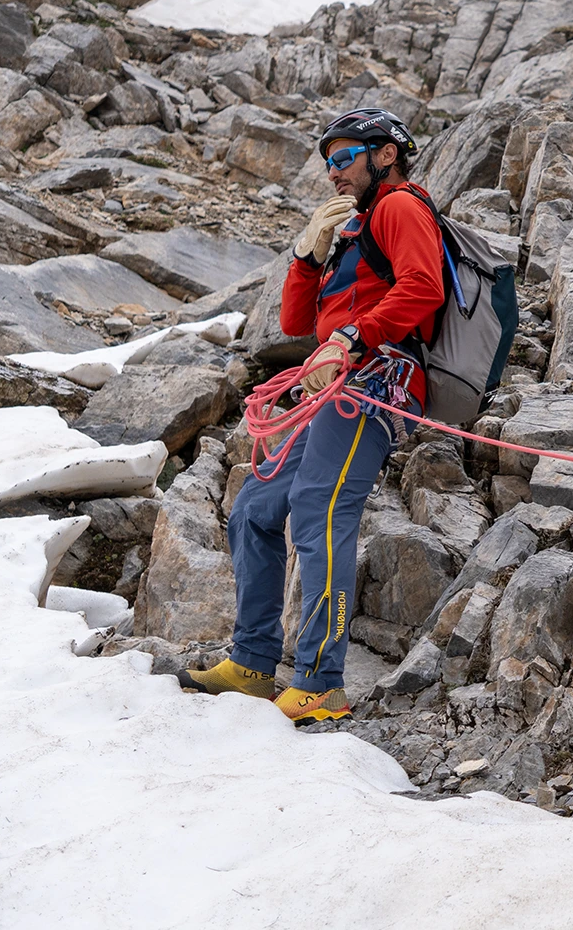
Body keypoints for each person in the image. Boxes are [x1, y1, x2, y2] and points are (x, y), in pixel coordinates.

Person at [178, 107, 445, 725]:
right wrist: (305, 254)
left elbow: (423, 286)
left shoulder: (401, 207)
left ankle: (322, 681)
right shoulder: (352, 228)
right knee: (255, 509)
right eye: (327, 163)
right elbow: (298, 325)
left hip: (377, 379)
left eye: (344, 157)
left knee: (322, 508)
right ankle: (250, 662)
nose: (333, 172)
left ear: (386, 154)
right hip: (335, 382)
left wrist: (351, 339)